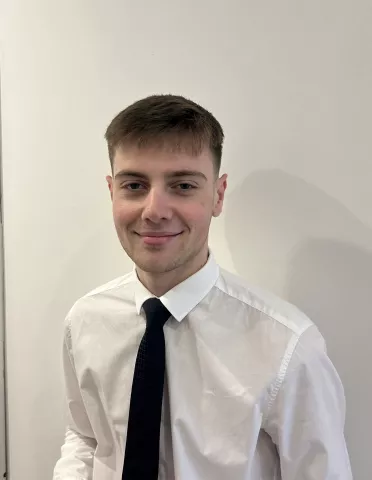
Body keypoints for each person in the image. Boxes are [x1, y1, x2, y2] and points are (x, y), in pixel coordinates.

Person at [53, 94, 352, 480]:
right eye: (134, 185)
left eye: (182, 185)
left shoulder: (287, 347)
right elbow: (85, 436)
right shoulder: (85, 321)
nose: (155, 210)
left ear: (218, 194)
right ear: (112, 191)